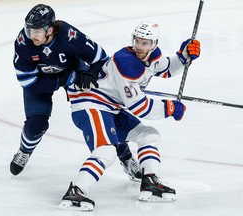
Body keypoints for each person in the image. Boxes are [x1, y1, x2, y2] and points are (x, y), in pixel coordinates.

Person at [58, 21, 201, 211]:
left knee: (149, 136)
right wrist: (169, 108)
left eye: (145, 43)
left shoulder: (153, 56)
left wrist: (184, 56)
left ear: (154, 44)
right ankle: (76, 191)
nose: (140, 47)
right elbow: (140, 107)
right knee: (106, 150)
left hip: (110, 107)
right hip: (90, 104)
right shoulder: (126, 62)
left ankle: (149, 181)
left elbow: (167, 68)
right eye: (138, 41)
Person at [10, 4, 142, 181]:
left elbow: (101, 58)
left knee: (101, 114)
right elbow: (28, 83)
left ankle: (125, 157)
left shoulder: (69, 36)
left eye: (37, 31)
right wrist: (63, 80)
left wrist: (90, 73)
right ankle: (24, 151)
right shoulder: (23, 43)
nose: (32, 35)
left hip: (75, 74)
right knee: (36, 125)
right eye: (29, 30)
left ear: (50, 29)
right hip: (44, 81)